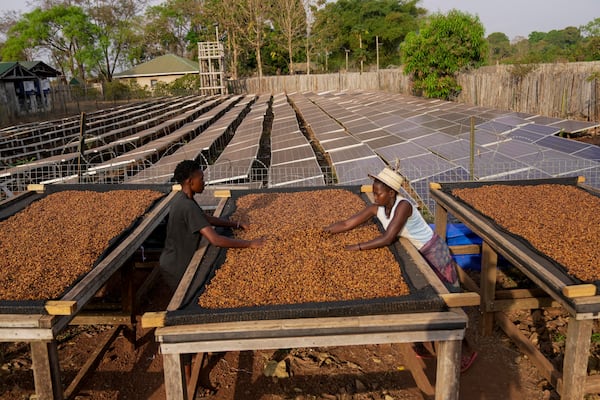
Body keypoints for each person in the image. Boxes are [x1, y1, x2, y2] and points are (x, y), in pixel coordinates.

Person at [323, 167, 477, 373]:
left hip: (433, 252)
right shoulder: (377, 207)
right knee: (423, 297)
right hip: (415, 252)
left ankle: (465, 352)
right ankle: (423, 342)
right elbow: (347, 223)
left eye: (378, 193)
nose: (374, 196)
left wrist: (356, 247)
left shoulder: (403, 206)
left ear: (391, 193)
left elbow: (387, 238)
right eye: (374, 192)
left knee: (446, 302)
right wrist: (323, 232)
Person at [159, 159, 266, 291]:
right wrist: (249, 243)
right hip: (177, 267)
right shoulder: (187, 206)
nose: (204, 183)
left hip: (171, 259)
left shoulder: (183, 199)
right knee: (184, 299)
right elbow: (215, 240)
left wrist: (236, 224)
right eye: (201, 179)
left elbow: (205, 218)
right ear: (190, 181)